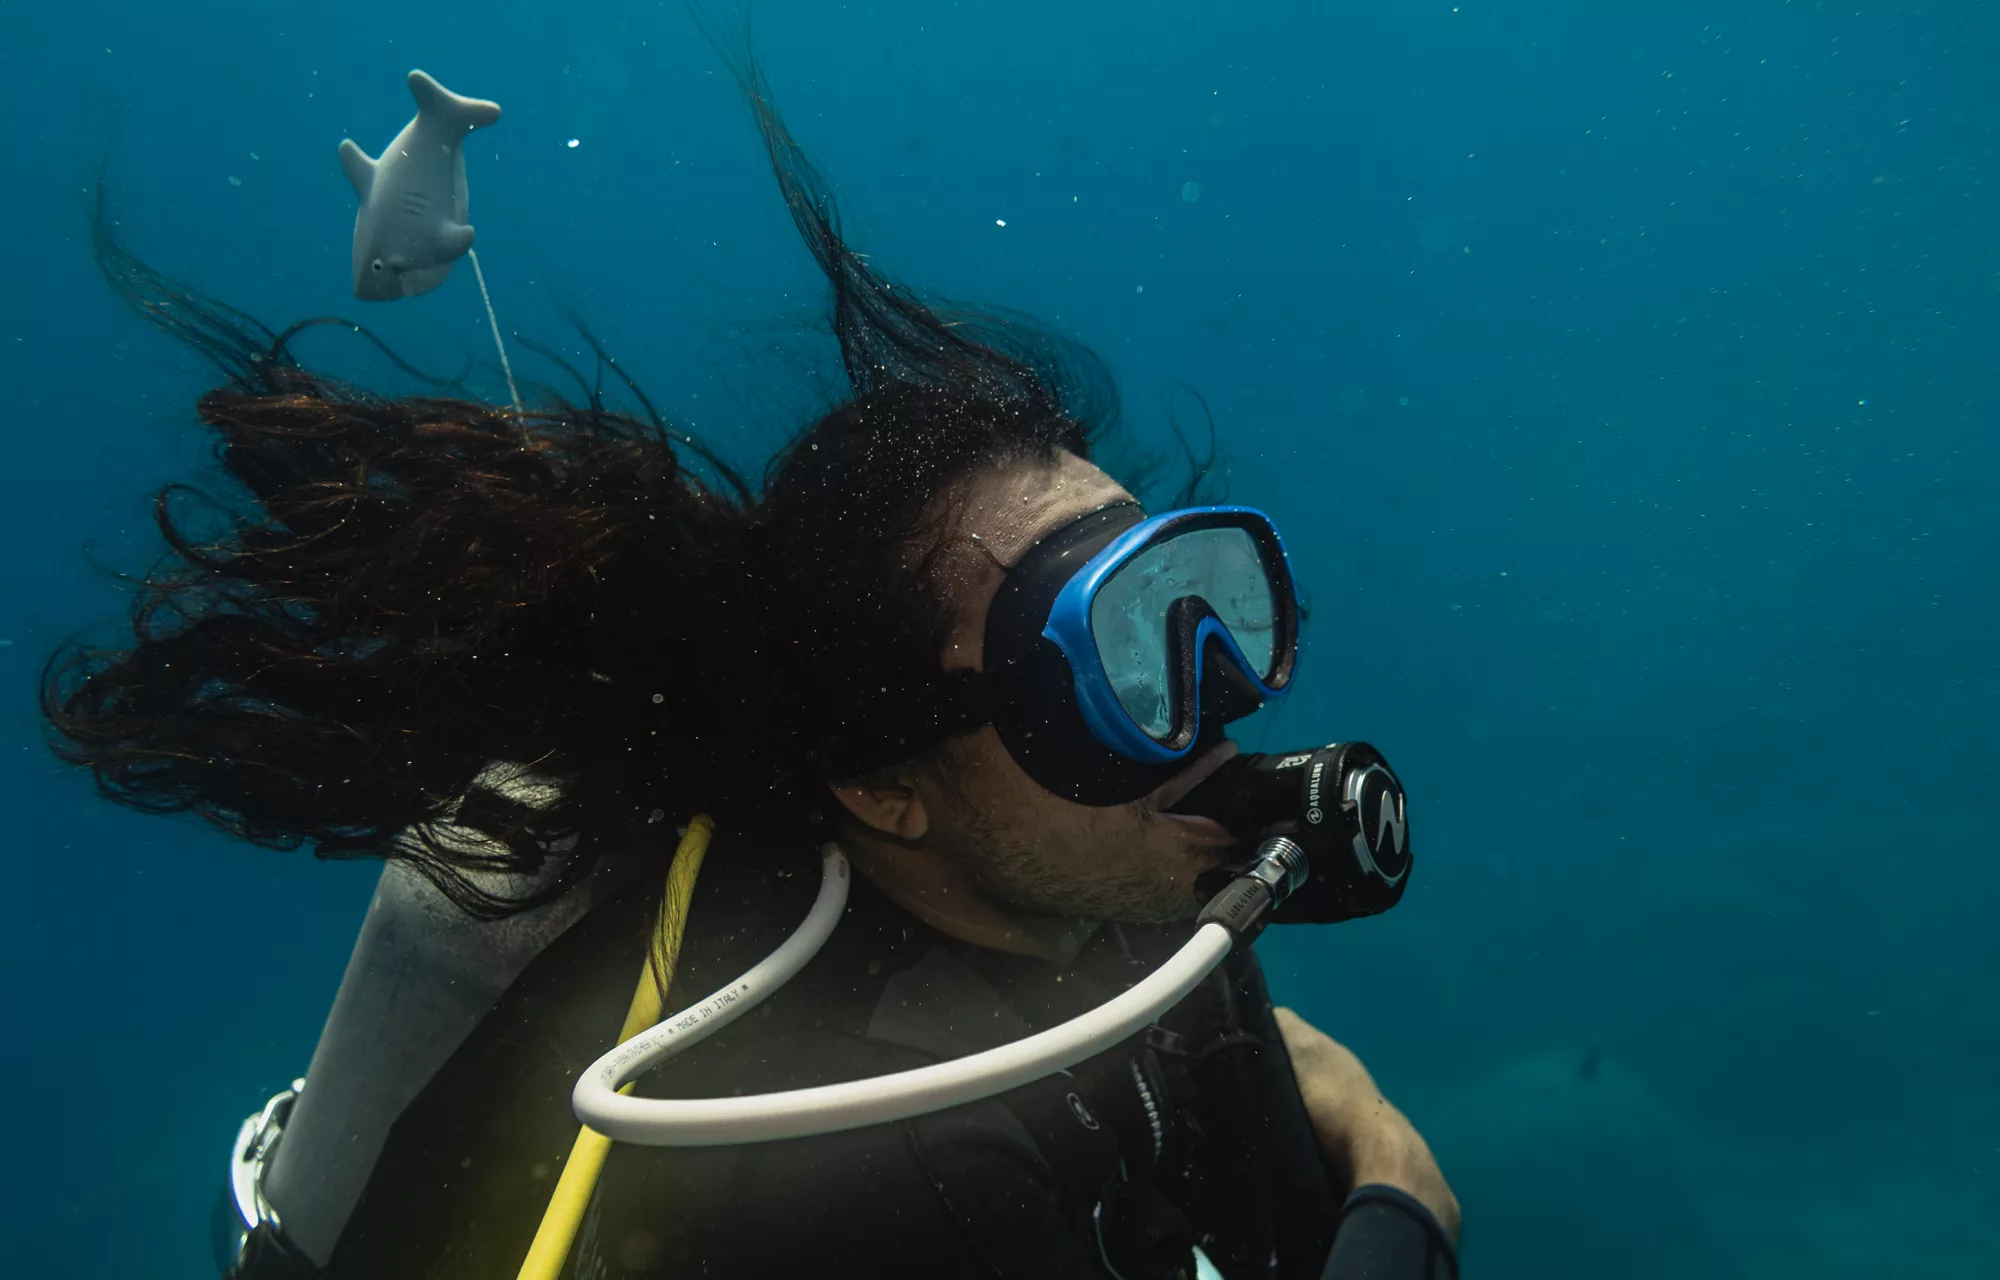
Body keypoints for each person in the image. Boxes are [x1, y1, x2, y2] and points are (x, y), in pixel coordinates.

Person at [45, 62, 1459, 1280]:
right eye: (1110, 659)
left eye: (1200, 601)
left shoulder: (1058, 890)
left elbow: (1260, 1058)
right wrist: (1400, 1196)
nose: (1212, 695)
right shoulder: (870, 1180)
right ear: (886, 785)